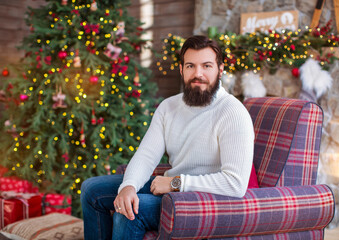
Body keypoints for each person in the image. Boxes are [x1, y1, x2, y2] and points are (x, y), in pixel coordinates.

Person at [81, 35, 255, 240]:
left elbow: (235, 183)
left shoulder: (232, 112)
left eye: (207, 66)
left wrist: (175, 183)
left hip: (207, 201)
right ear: (181, 69)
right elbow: (146, 155)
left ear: (220, 69)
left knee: (129, 213)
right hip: (173, 191)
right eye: (190, 66)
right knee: (91, 189)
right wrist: (129, 186)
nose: (198, 74)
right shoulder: (168, 107)